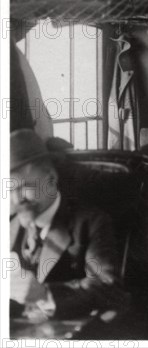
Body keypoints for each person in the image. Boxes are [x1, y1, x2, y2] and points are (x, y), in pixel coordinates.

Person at [9, 129, 123, 319]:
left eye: (23, 187)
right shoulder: (10, 227)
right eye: (8, 190)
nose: (16, 200)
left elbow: (107, 287)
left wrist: (45, 294)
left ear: (51, 178)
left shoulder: (91, 223)